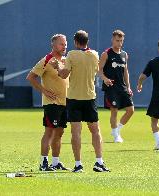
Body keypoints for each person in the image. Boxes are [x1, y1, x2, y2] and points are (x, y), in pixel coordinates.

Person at [52, 30, 109, 172]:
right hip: (90, 98)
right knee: (95, 131)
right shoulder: (94, 54)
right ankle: (99, 162)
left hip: (74, 98)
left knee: (76, 132)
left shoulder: (71, 54)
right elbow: (97, 71)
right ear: (87, 41)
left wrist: (58, 66)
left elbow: (64, 75)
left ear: (75, 42)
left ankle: (78, 164)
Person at [26, 34, 69, 171]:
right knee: (49, 132)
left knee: (59, 132)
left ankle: (55, 162)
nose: (64, 46)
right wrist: (44, 91)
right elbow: (31, 77)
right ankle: (43, 163)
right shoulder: (47, 59)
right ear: (53, 45)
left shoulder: (65, 61)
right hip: (52, 103)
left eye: (65, 43)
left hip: (64, 102)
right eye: (61, 44)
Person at [98, 30, 134, 143]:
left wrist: (128, 87)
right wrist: (104, 79)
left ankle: (117, 129)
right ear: (112, 40)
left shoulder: (124, 54)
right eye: (117, 40)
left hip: (122, 87)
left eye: (121, 41)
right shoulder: (106, 54)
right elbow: (99, 69)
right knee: (114, 111)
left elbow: (125, 71)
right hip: (111, 87)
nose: (119, 43)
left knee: (130, 110)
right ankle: (116, 135)